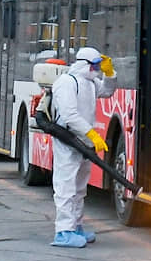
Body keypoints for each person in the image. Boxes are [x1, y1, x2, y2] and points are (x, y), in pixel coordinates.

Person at [50, 46, 117, 248]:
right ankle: (63, 231)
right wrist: (90, 133)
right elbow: (69, 115)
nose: (97, 69)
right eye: (95, 66)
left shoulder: (90, 83)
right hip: (68, 140)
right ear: (84, 64)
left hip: (84, 142)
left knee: (79, 188)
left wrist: (110, 74)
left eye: (99, 66)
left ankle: (76, 226)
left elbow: (108, 91)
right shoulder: (66, 83)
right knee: (65, 187)